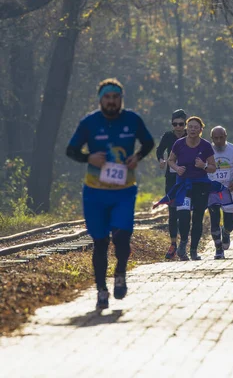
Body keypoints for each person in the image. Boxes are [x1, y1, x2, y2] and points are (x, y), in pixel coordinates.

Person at [66, 78, 154, 310]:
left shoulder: (132, 120)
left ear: (121, 99)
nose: (112, 101)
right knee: (100, 242)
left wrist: (137, 157)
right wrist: (88, 158)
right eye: (107, 97)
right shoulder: (89, 122)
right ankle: (101, 290)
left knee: (122, 237)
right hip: (95, 192)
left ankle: (121, 273)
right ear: (100, 99)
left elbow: (148, 142)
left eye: (116, 97)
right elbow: (71, 150)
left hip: (124, 191)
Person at [167, 116, 217, 261]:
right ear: (186, 129)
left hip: (200, 185)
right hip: (183, 185)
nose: (192, 129)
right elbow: (170, 160)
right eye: (190, 127)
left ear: (201, 130)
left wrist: (204, 166)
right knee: (183, 217)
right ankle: (183, 244)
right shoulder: (179, 143)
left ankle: (194, 249)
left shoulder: (206, 146)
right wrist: (177, 168)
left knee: (197, 217)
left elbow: (213, 168)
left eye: (196, 127)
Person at [208, 126, 233, 259]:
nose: (219, 141)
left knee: (229, 223)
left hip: (229, 190)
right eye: (216, 138)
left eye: (221, 138)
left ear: (226, 136)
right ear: (212, 138)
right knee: (214, 220)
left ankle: (226, 232)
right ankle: (218, 249)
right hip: (213, 190)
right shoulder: (206, 150)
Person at [156, 109, 187, 260]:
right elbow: (159, 151)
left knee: (185, 212)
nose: (178, 127)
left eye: (181, 124)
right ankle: (173, 244)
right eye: (175, 124)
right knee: (173, 212)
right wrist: (161, 160)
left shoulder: (191, 135)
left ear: (185, 124)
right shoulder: (168, 136)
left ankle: (184, 244)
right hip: (171, 178)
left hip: (187, 178)